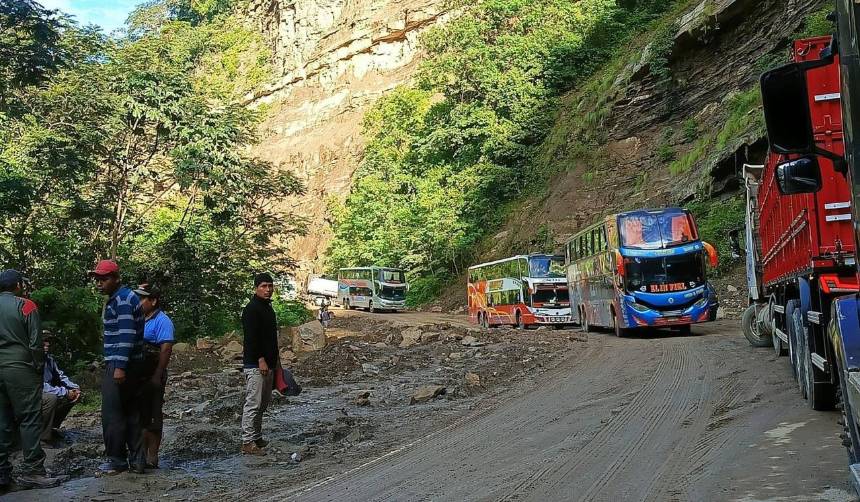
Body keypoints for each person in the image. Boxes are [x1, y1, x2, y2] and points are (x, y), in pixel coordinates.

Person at [0, 269, 62, 489]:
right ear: (17, 285)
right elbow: (36, 343)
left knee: (2, 421)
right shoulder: (26, 305)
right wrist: (37, 367)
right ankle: (33, 470)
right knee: (30, 418)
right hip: (19, 367)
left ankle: (2, 475)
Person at [90, 259, 146, 475]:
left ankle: (116, 460)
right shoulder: (123, 297)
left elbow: (126, 334)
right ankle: (137, 459)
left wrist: (119, 366)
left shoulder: (122, 300)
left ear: (115, 278)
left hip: (121, 362)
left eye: (104, 279)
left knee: (112, 414)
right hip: (131, 363)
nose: (99, 283)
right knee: (131, 411)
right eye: (98, 279)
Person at [133, 283, 174, 469]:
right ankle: (138, 454)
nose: (138, 302)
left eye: (142, 298)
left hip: (153, 373)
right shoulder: (137, 318)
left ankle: (152, 456)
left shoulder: (162, 321)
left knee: (153, 414)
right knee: (138, 414)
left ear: (153, 301)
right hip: (137, 374)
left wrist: (157, 375)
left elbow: (166, 349)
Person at [240, 273, 279, 455]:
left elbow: (271, 338)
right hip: (256, 365)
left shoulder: (268, 308)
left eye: (270, 286)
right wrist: (261, 359)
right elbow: (251, 339)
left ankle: (256, 436)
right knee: (253, 404)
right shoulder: (251, 309)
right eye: (264, 286)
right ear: (256, 288)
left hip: (269, 364)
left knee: (262, 404)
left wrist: (276, 363)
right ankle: (247, 442)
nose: (268, 290)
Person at [41, 337, 81, 443]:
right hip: (33, 392)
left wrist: (74, 388)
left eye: (47, 344)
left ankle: (52, 427)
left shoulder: (49, 359)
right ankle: (42, 437)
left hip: (47, 389)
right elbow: (40, 385)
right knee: (52, 398)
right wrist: (65, 392)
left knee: (71, 397)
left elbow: (60, 376)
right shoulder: (31, 360)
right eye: (43, 344)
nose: (46, 346)